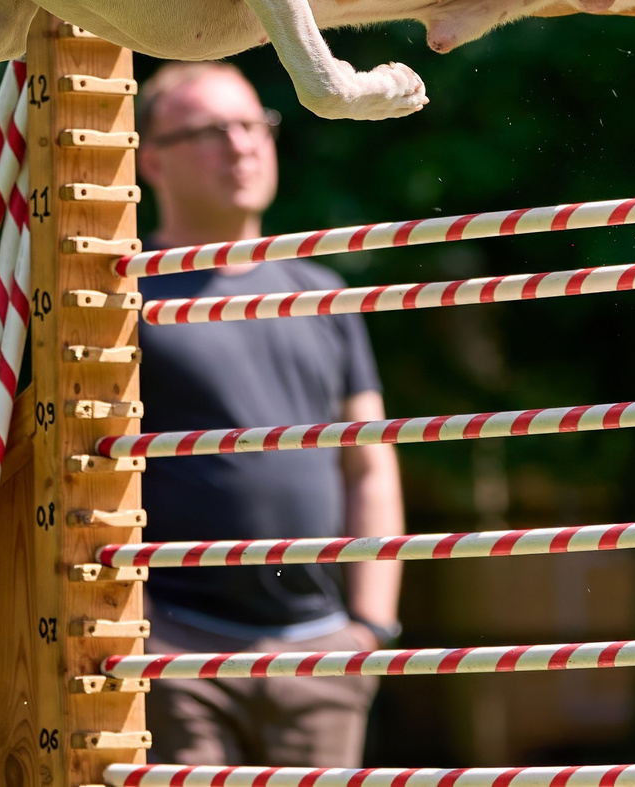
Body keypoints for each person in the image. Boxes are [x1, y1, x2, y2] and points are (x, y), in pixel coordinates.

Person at [133, 62, 405, 769]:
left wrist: (370, 627)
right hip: (177, 650)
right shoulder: (115, 294)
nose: (241, 145)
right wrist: (140, 632)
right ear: (151, 158)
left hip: (319, 654)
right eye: (210, 130)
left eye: (253, 124)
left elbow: (369, 461)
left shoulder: (324, 291)